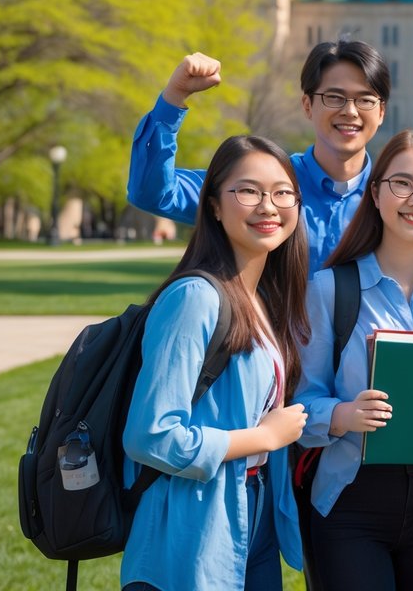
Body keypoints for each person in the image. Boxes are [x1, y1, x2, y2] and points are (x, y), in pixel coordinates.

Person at [294, 130, 413, 590]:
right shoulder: (330, 290)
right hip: (349, 497)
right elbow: (301, 403)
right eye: (402, 184)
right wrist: (343, 414)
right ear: (375, 192)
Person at [122, 135, 311, 590]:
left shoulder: (263, 298)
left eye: (283, 192)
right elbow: (151, 436)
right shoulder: (196, 299)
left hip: (251, 511)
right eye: (248, 191)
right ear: (212, 206)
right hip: (190, 526)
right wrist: (263, 437)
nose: (268, 206)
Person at [128, 39, 390, 269]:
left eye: (365, 100)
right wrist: (175, 96)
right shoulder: (263, 183)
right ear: (307, 105)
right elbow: (154, 194)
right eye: (334, 97)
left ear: (381, 112)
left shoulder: (395, 196)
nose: (351, 111)